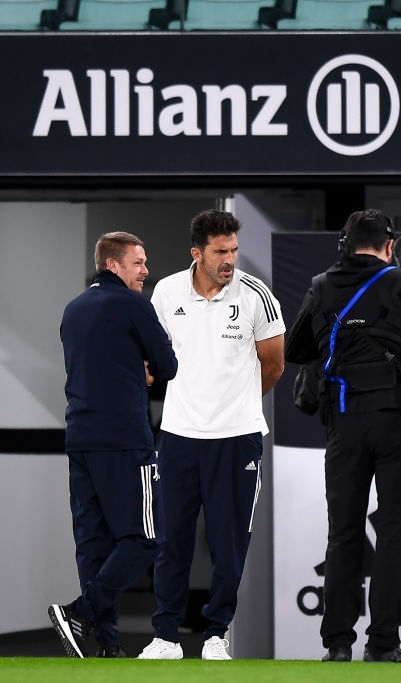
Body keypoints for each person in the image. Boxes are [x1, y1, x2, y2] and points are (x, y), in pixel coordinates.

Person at [285, 209, 401, 664]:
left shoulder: (321, 286)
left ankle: (337, 644)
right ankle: (382, 644)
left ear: (347, 244)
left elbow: (296, 349)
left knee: (342, 535)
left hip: (344, 423)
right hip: (400, 424)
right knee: (396, 535)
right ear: (388, 246)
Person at [138, 209, 286, 661]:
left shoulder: (257, 295)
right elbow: (151, 356)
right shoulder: (165, 291)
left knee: (228, 544)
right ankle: (165, 636)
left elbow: (274, 363)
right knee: (170, 542)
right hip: (179, 437)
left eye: (234, 250)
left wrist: (237, 404)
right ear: (197, 253)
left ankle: (215, 635)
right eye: (221, 252)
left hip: (237, 438)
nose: (229, 260)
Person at [50, 231, 178, 658]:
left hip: (80, 439)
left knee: (93, 542)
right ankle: (80, 612)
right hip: (124, 440)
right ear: (113, 265)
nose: (145, 271)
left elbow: (92, 366)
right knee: (146, 537)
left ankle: (106, 644)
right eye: (138, 263)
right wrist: (144, 368)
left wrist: (130, 366)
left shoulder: (73, 309)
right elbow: (168, 365)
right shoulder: (133, 305)